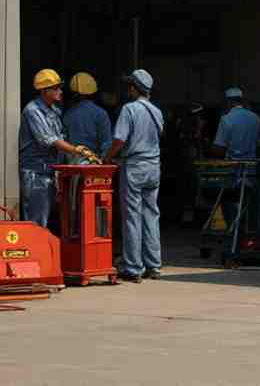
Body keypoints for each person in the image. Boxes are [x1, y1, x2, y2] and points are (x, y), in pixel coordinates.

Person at [103, 69, 164, 283]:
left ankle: (133, 267)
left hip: (135, 167)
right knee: (151, 215)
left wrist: (106, 157)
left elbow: (119, 139)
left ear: (133, 88)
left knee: (131, 217)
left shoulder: (129, 109)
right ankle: (154, 265)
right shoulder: (156, 112)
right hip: (153, 167)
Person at [18, 69, 93, 227]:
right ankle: (36, 252)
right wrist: (76, 150)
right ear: (45, 91)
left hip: (49, 172)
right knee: (36, 222)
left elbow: (60, 137)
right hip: (36, 174)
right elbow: (49, 139)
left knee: (46, 219)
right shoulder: (33, 111)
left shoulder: (54, 111)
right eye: (56, 88)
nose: (60, 91)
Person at [63, 71, 112, 163]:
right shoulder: (101, 113)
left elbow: (63, 143)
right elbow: (106, 143)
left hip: (72, 165)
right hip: (94, 164)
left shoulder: (68, 115)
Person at [211, 88, 260, 160]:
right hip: (252, 165)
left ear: (229, 102)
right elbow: (259, 143)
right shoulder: (256, 118)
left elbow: (219, 146)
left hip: (232, 165)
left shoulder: (226, 119)